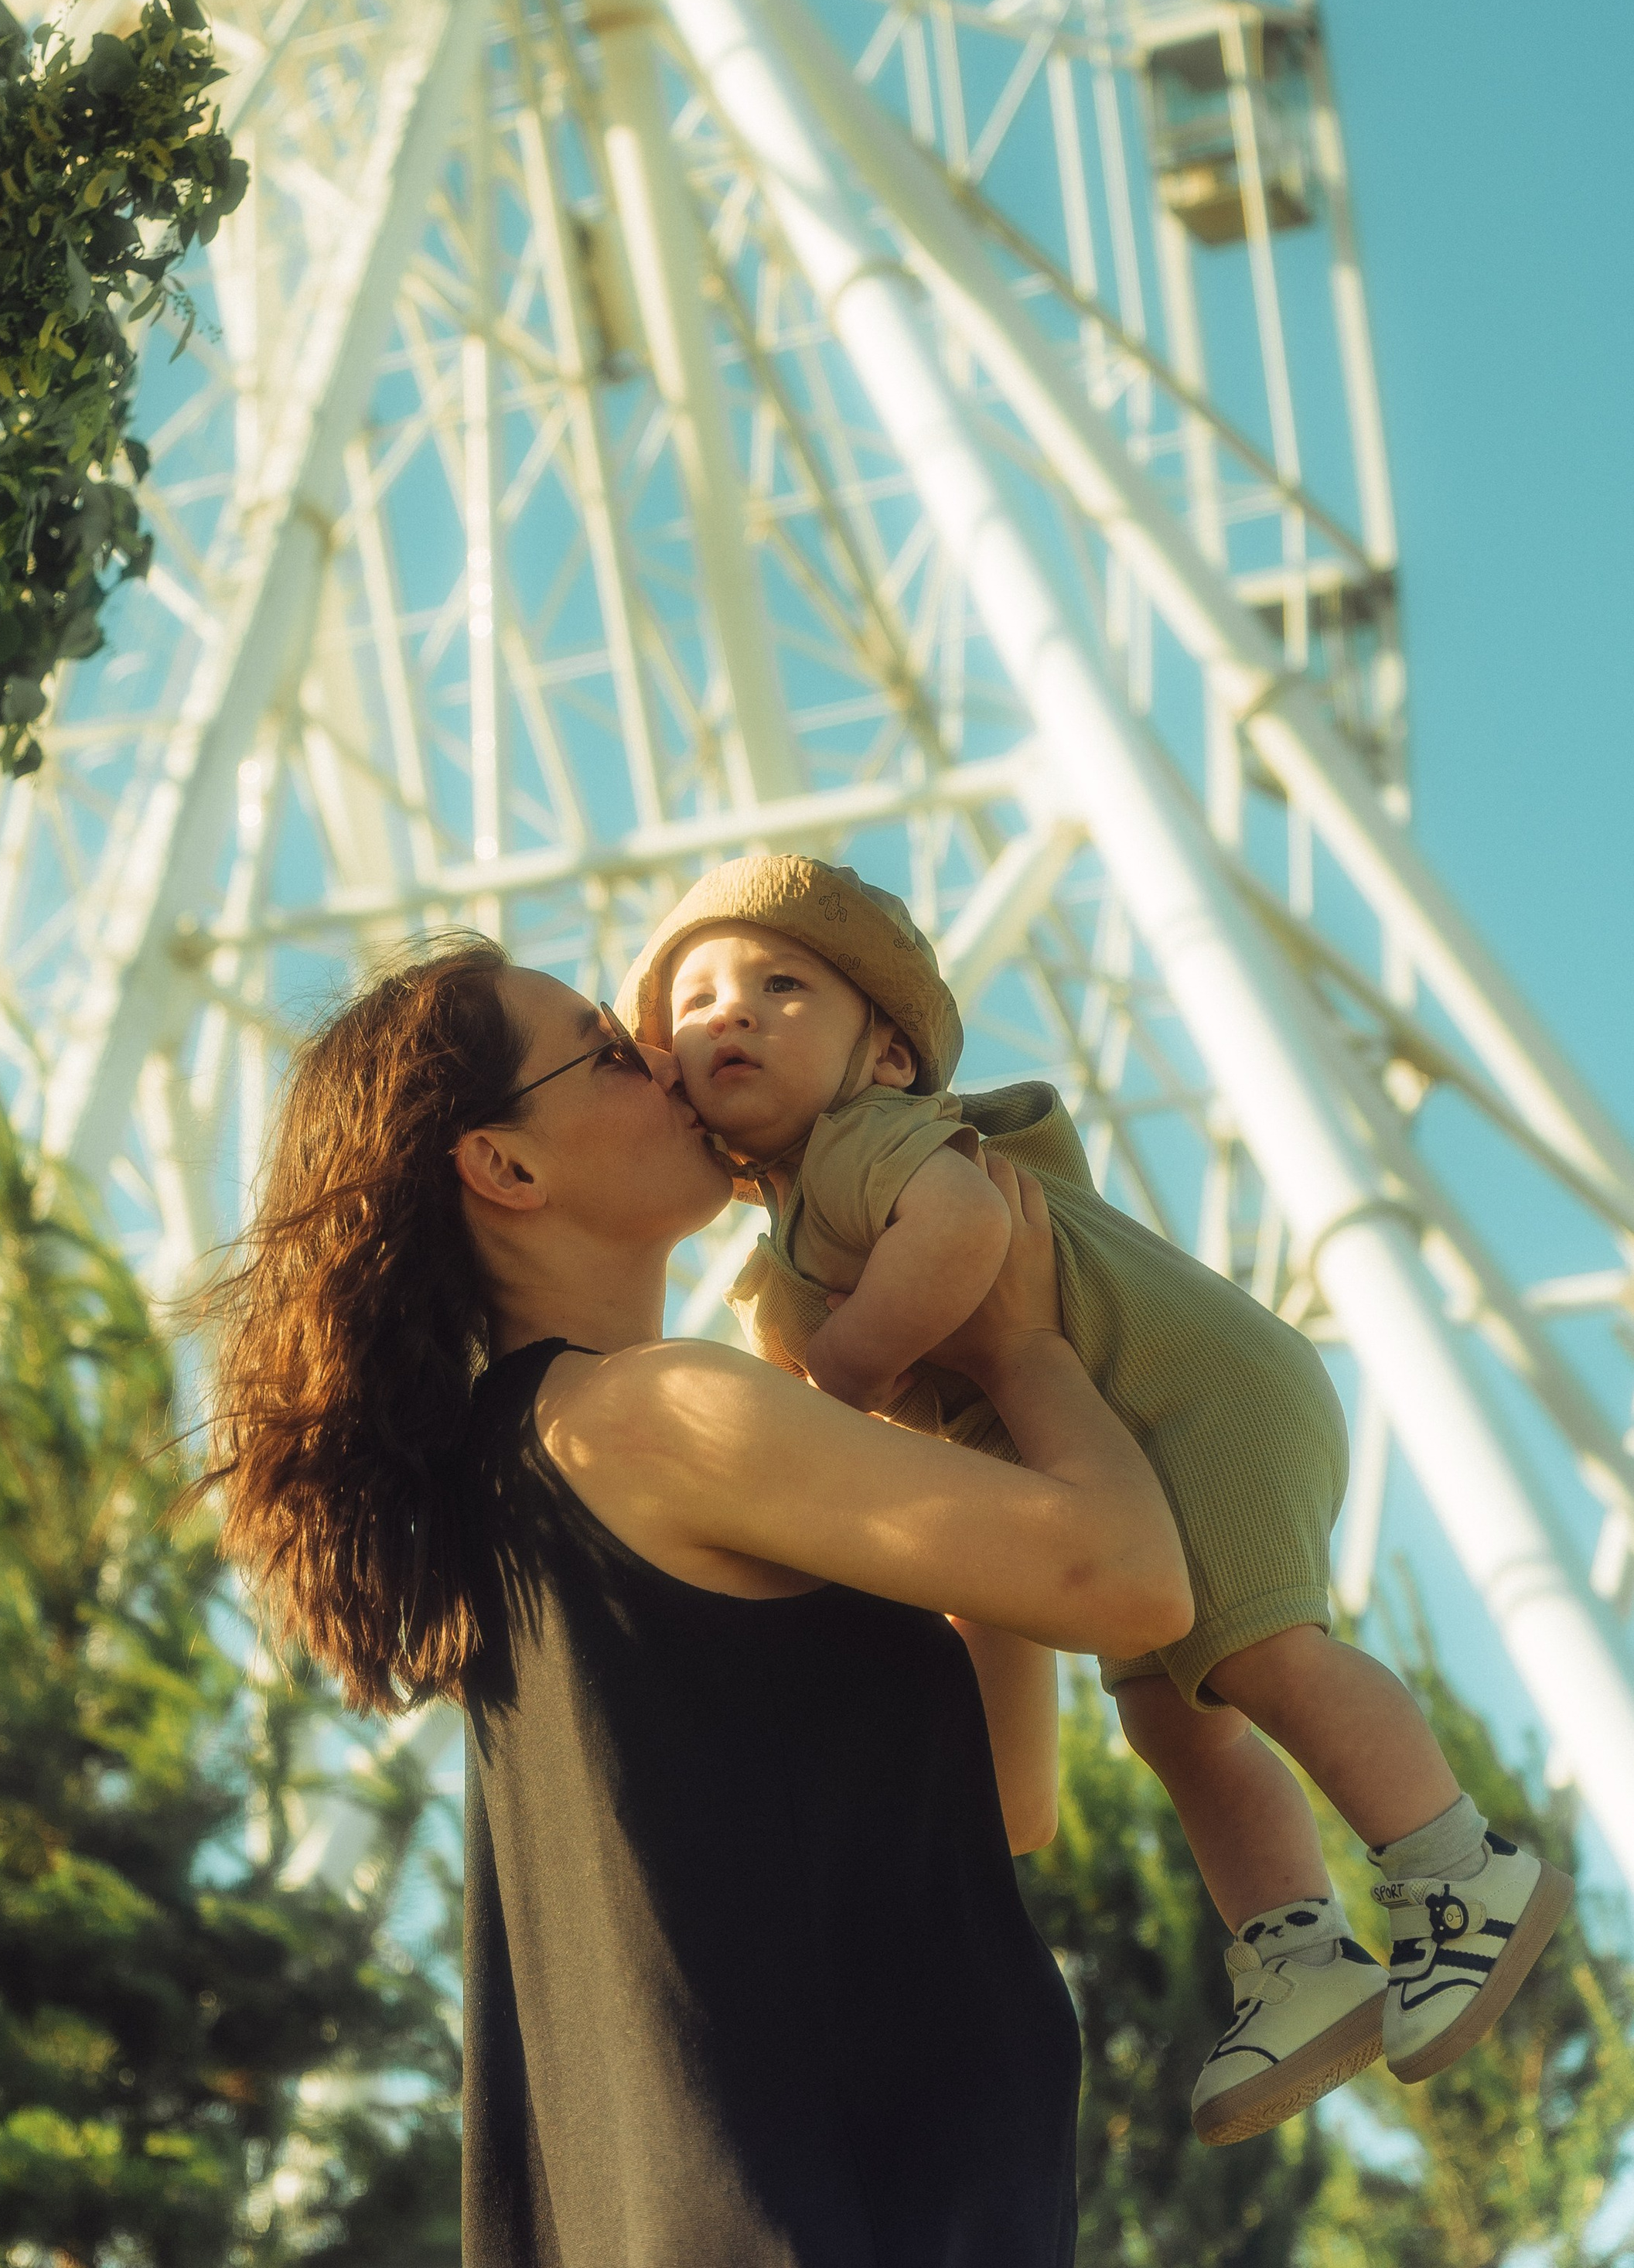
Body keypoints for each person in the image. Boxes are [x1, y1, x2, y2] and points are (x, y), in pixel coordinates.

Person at [197, 933, 1193, 2268]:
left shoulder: (526, 1474)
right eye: (612, 1054)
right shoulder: (652, 1413)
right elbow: (1134, 1582)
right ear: (507, 1168)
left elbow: (1007, 1806)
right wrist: (1020, 1348)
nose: (672, 1059)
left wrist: (946, 1421)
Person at [618, 852, 1574, 2151]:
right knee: (1175, 1722)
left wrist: (844, 1370)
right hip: (1118, 1445)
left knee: (1263, 1656)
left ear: (887, 1056)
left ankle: (1457, 1865)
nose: (732, 1011)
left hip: (1185, 1400)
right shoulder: (787, 1242)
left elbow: (963, 1232)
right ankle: (1300, 1957)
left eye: (781, 986)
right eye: (696, 1002)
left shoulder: (871, 1141)